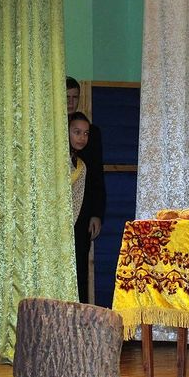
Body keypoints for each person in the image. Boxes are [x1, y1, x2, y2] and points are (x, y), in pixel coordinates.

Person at [66, 77, 106, 303]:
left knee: (80, 266)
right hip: (57, 212)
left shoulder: (92, 133)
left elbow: (97, 177)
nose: (71, 102)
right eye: (67, 97)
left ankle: (79, 313)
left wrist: (97, 213)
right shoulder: (51, 133)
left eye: (75, 97)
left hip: (83, 210)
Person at [68, 112, 92, 303]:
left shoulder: (81, 166)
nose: (82, 138)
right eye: (77, 132)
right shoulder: (53, 161)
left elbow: (77, 200)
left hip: (71, 227)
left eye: (85, 133)